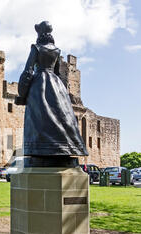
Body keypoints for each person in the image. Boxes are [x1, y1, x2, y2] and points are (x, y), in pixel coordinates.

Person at [16, 21, 88, 160]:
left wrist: (22, 93)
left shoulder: (36, 48)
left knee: (39, 119)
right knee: (61, 116)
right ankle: (65, 147)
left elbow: (28, 71)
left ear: (40, 34)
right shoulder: (57, 51)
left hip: (39, 84)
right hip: (56, 85)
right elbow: (57, 72)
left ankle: (40, 149)